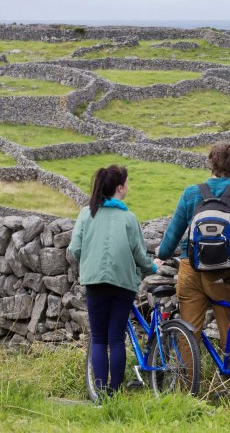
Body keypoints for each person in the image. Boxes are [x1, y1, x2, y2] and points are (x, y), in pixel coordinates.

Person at [68, 165, 161, 398]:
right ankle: (116, 391)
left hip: (95, 282)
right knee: (116, 338)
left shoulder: (86, 213)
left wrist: (90, 262)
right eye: (127, 183)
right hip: (123, 285)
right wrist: (153, 266)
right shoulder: (128, 218)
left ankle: (99, 395)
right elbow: (140, 255)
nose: (129, 186)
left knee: (98, 338)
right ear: (120, 188)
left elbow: (75, 249)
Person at [156, 141, 230, 357]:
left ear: (210, 163)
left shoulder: (192, 192)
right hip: (223, 272)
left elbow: (174, 231)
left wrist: (161, 255)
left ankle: (186, 388)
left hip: (190, 267)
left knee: (188, 333)